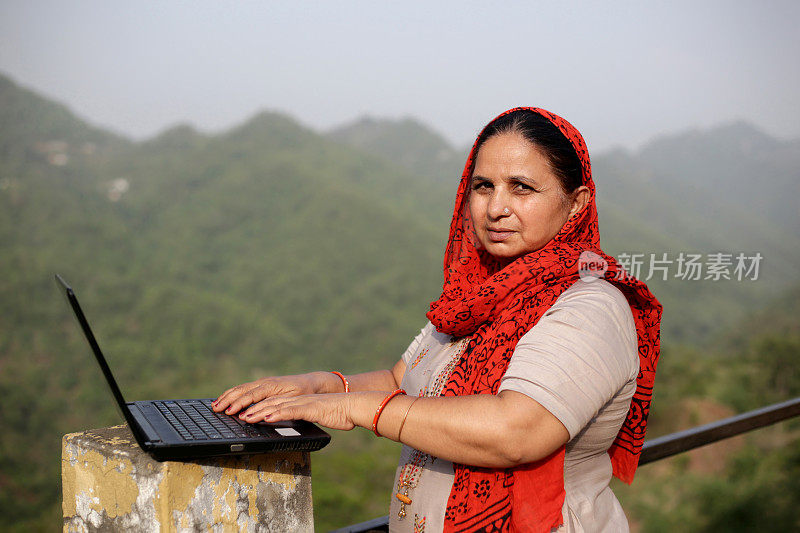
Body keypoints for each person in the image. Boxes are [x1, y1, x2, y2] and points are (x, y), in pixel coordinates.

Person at [213, 107, 663, 533]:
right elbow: (403, 381)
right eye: (483, 186)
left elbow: (516, 431)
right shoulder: (476, 296)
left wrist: (355, 408)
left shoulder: (589, 306)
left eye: (522, 187)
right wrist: (321, 386)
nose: (494, 208)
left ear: (577, 203)